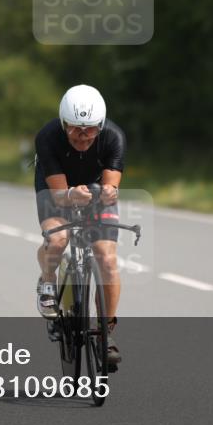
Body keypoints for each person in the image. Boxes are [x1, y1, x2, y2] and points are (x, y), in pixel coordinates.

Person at [33, 84, 125, 367]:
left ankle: (105, 333)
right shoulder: (48, 137)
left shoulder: (113, 137)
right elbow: (59, 193)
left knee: (107, 259)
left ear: (100, 125)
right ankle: (48, 282)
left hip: (95, 190)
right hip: (56, 189)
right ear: (63, 124)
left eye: (90, 129)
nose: (83, 136)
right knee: (58, 240)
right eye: (74, 129)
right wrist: (71, 194)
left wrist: (109, 192)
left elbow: (111, 184)